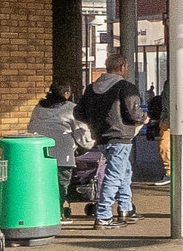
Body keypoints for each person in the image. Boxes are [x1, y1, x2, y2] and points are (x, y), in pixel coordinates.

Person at [76, 55, 146, 229]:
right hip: (121, 137)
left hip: (101, 138)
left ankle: (125, 207)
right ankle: (103, 215)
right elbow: (133, 113)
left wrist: (95, 125)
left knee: (125, 170)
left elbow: (79, 113)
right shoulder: (125, 87)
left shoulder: (91, 88)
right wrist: (144, 118)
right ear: (122, 67)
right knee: (114, 175)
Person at [27, 84, 80, 216]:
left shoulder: (38, 108)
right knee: (61, 184)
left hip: (40, 153)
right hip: (63, 152)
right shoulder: (71, 108)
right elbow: (80, 131)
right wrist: (87, 144)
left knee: (42, 182)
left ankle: (42, 211)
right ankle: (58, 211)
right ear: (66, 94)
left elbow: (30, 127)